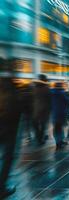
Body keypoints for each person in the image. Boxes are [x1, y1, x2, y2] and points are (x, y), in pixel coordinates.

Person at [0, 59, 22, 198]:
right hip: (7, 125)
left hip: (6, 123)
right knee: (8, 155)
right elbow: (12, 107)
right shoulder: (8, 85)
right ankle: (1, 187)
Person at [31, 74, 51, 145]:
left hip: (36, 109)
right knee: (43, 125)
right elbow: (49, 100)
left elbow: (32, 99)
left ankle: (39, 137)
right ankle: (41, 138)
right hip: (44, 110)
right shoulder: (47, 88)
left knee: (36, 125)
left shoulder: (34, 88)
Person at [51, 82, 69, 149]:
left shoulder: (51, 92)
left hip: (54, 112)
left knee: (56, 128)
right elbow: (67, 101)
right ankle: (59, 142)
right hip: (61, 112)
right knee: (60, 128)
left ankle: (58, 141)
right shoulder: (62, 93)